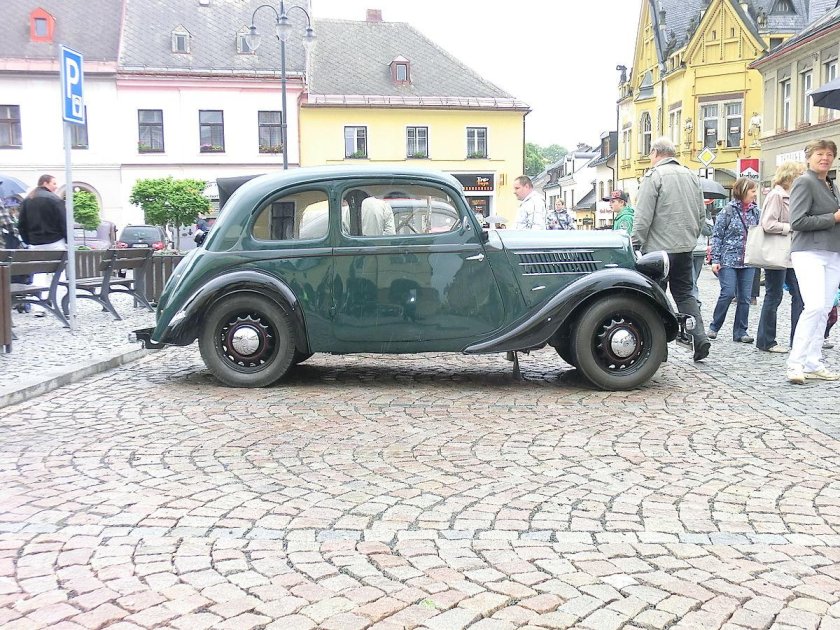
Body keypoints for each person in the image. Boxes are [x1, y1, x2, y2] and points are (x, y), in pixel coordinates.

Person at [632, 136, 710, 362]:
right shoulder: (691, 176)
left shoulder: (654, 176)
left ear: (655, 153)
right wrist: (690, 238)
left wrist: (635, 244)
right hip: (684, 247)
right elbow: (701, 215)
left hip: (658, 252)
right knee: (686, 294)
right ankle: (699, 337)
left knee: (654, 297)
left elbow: (643, 217)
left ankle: (657, 348)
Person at [785, 139, 840, 384]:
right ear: (809, 157)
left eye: (829, 154)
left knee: (825, 308)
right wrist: (833, 218)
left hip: (832, 251)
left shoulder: (831, 185)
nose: (825, 158)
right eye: (820, 154)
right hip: (809, 251)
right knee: (815, 306)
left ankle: (813, 361)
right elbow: (797, 221)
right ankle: (795, 363)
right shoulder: (804, 182)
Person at [755, 161, 806, 353]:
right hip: (777, 254)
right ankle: (766, 341)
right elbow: (768, 224)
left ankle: (797, 340)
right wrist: (791, 227)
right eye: (799, 174)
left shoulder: (791, 195)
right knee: (774, 296)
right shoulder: (777, 195)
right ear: (790, 176)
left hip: (791, 254)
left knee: (799, 296)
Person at [708, 177, 761, 343]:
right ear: (744, 191)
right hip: (728, 259)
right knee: (728, 292)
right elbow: (717, 236)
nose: (755, 194)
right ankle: (714, 326)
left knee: (745, 297)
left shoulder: (756, 212)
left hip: (748, 260)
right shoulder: (728, 211)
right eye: (752, 191)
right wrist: (715, 259)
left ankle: (740, 332)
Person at [18, 175, 67, 317]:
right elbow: (63, 222)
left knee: (38, 275)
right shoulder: (55, 199)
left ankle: (39, 307)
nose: (56, 186)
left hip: (35, 243)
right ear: (45, 183)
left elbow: (21, 224)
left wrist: (28, 240)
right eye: (54, 183)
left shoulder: (28, 200)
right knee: (58, 274)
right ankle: (58, 304)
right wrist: (68, 239)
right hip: (55, 241)